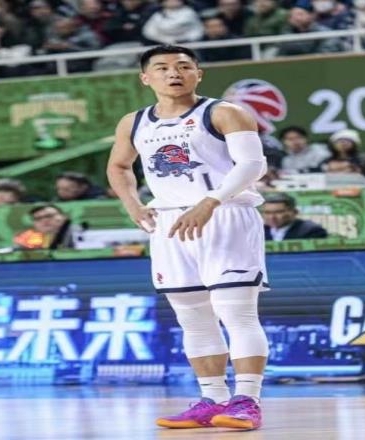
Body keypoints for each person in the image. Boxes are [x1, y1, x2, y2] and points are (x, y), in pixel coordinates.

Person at [107, 45, 269, 430]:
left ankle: (247, 401)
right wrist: (132, 204)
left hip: (225, 214)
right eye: (162, 68)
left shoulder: (225, 112)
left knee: (236, 312)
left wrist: (211, 201)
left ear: (199, 73)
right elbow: (118, 166)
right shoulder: (134, 122)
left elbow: (253, 164)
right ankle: (212, 400)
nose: (173, 73)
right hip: (168, 222)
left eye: (183, 66)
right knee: (193, 318)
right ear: (145, 78)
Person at [262, 193, 328, 240]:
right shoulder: (260, 231)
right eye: (267, 213)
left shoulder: (311, 231)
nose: (272, 217)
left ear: (294, 212)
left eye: (278, 212)